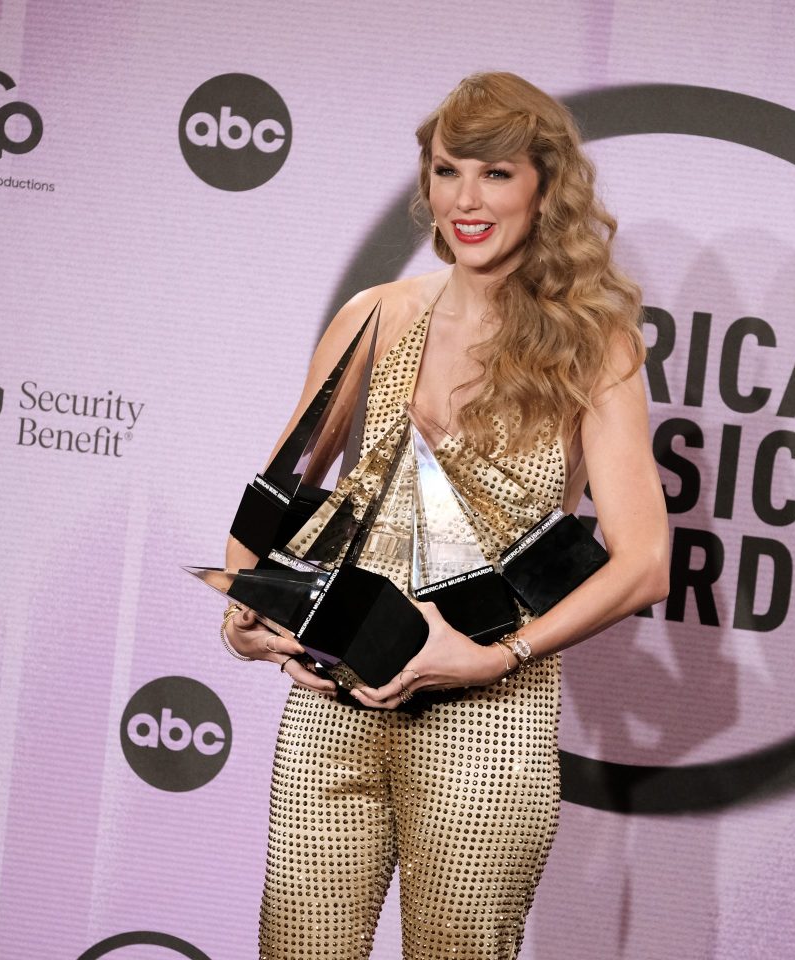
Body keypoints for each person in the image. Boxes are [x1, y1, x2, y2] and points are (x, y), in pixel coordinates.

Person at [220, 71, 670, 960]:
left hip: (487, 723)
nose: (466, 200)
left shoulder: (592, 345)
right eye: (447, 170)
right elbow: (276, 497)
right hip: (334, 705)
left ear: (544, 188)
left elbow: (645, 561)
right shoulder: (376, 316)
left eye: (496, 173)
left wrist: (497, 656)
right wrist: (249, 610)